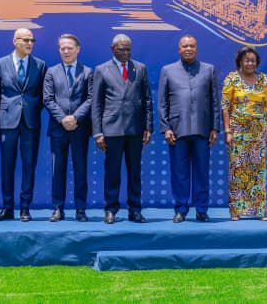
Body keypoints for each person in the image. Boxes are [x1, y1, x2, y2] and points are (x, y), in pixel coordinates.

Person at [91, 34, 153, 224]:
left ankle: (135, 209)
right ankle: (111, 209)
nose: (126, 53)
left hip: (135, 129)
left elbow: (147, 100)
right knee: (112, 172)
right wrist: (98, 132)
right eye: (121, 49)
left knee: (134, 172)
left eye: (128, 50)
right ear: (113, 49)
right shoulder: (101, 70)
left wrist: (148, 126)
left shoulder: (140, 68)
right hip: (112, 129)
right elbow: (96, 103)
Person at [158, 35, 220, 223]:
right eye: (185, 46)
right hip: (177, 129)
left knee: (202, 172)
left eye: (192, 46)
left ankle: (201, 209)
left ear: (196, 48)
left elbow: (214, 102)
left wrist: (215, 128)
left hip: (202, 129)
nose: (188, 49)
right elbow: (162, 103)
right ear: (179, 49)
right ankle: (181, 209)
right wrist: (165, 128)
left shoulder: (208, 69)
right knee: (179, 172)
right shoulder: (168, 70)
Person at [0, 28, 47, 222]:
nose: (30, 43)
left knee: (29, 165)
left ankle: (25, 208)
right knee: (7, 165)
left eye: (32, 40)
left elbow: (43, 95)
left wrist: (31, 109)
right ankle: (7, 207)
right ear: (15, 41)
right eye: (26, 40)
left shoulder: (40, 65)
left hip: (31, 122)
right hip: (8, 122)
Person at [42, 34, 93, 222]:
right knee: (58, 170)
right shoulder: (51, 72)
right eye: (62, 48)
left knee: (80, 169)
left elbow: (91, 98)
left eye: (69, 48)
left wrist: (75, 117)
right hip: (58, 129)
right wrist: (63, 118)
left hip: (80, 128)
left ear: (78, 49)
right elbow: (47, 99)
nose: (66, 51)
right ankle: (58, 208)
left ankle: (81, 209)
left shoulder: (87, 72)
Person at [221, 46, 267, 221]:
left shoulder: (263, 79)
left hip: (258, 132)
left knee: (258, 172)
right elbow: (225, 107)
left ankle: (261, 211)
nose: (250, 63)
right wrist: (227, 131)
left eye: (253, 61)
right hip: (238, 132)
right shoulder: (231, 79)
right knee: (237, 171)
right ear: (240, 62)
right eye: (247, 60)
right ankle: (236, 211)